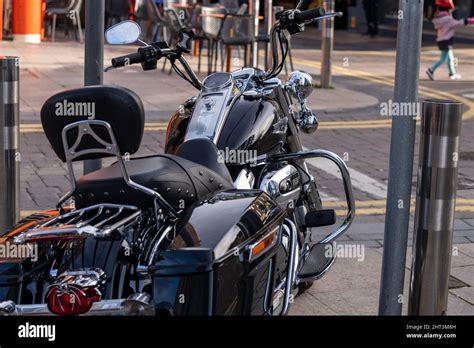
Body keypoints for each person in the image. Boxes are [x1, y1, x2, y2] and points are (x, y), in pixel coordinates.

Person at [426, 0, 474, 80]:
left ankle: (452, 73)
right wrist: (471, 21)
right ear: (447, 9)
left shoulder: (439, 18)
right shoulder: (447, 19)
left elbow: (448, 20)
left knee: (450, 58)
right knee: (443, 59)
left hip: (441, 40)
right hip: (446, 41)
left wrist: (450, 12)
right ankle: (431, 70)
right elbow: (458, 23)